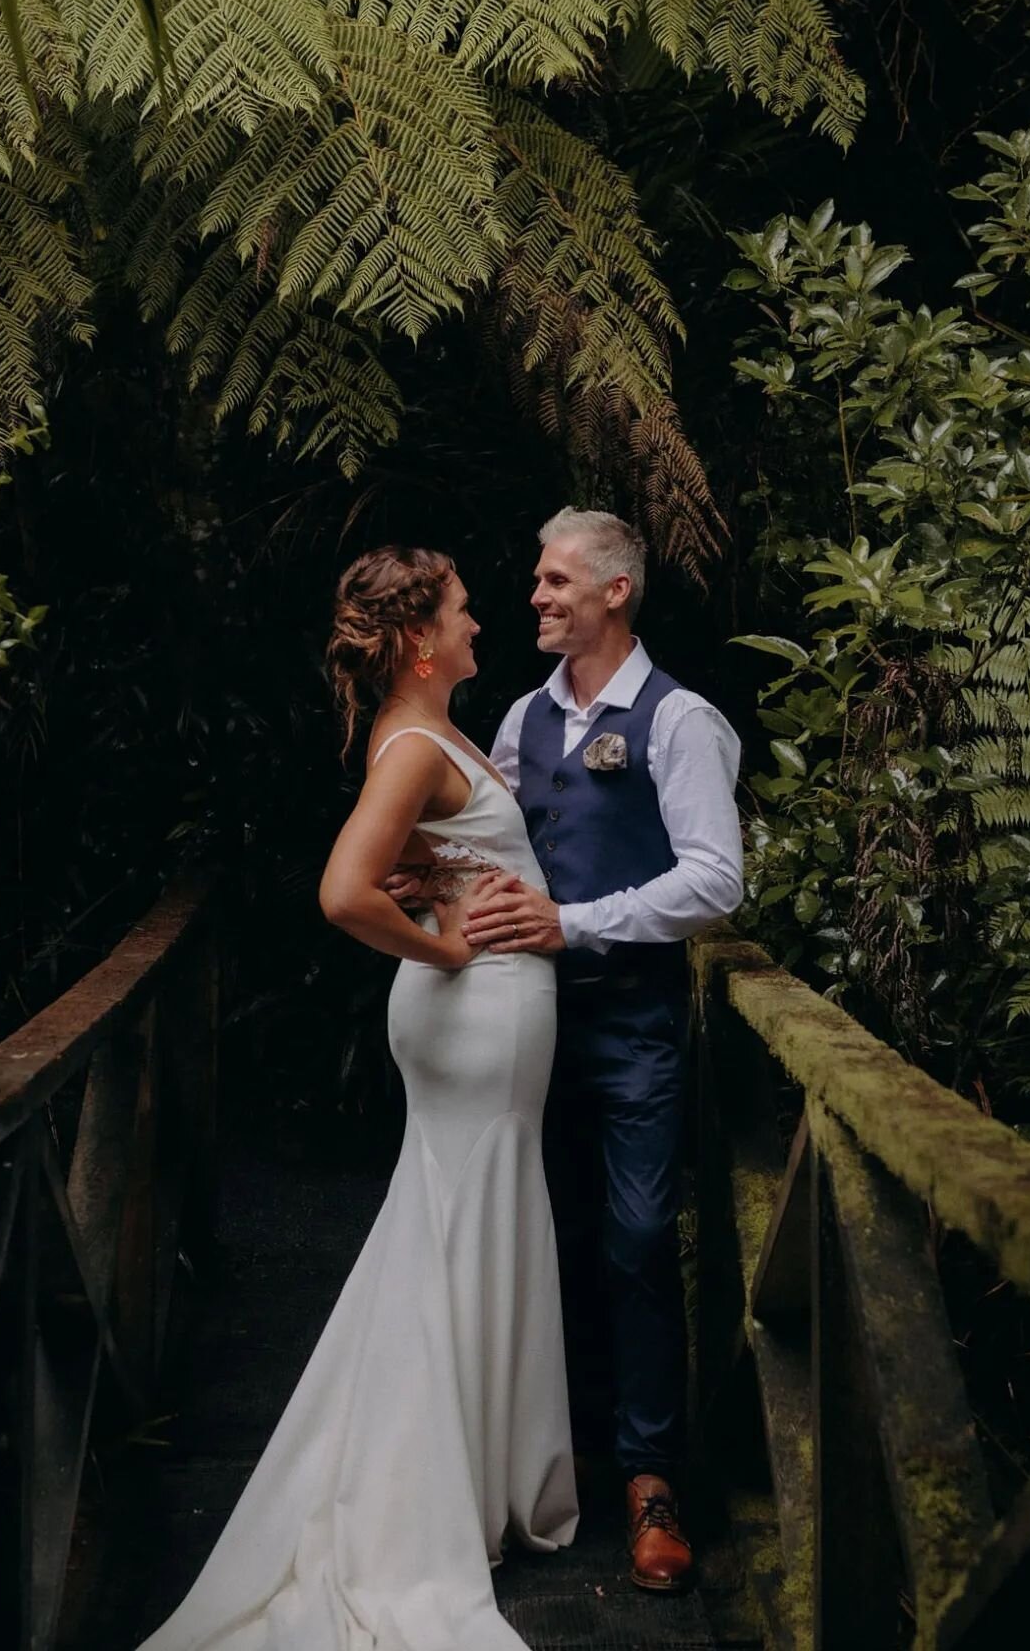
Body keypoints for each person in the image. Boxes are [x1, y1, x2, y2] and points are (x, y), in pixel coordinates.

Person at [137, 546, 577, 1651]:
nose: (485, 623)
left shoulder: (422, 737)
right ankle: (426, 1503)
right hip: (471, 1016)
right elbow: (342, 891)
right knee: (455, 1233)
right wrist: (441, 950)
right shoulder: (417, 744)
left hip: (483, 1023)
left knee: (457, 1232)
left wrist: (434, 898)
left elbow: (407, 862)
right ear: (421, 640)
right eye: (468, 611)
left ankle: (466, 1479)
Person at [458, 508, 743, 1592]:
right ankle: (555, 1458)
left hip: (632, 1028)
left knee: (634, 1239)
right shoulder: (522, 718)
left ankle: (652, 1479)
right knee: (547, 1235)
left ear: (616, 592)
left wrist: (573, 924)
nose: (536, 594)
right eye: (537, 578)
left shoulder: (680, 723)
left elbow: (716, 879)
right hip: (526, 1024)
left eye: (556, 579)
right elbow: (490, 851)